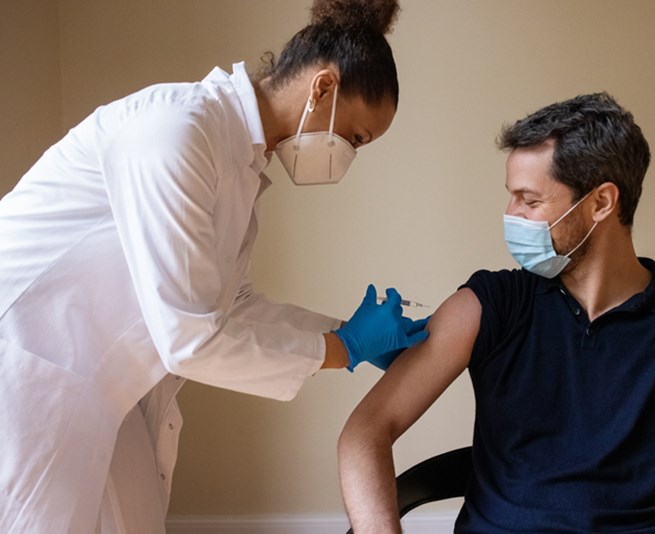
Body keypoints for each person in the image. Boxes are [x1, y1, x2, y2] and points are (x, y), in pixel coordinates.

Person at [0, 0, 428, 532]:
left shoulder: (239, 162)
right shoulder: (175, 131)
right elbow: (191, 338)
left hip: (100, 385)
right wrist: (345, 349)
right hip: (28, 373)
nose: (349, 154)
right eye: (356, 137)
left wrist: (348, 333)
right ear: (323, 88)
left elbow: (232, 306)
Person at [338, 93, 655, 533]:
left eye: (530, 200)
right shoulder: (492, 303)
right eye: (512, 195)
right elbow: (366, 434)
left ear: (601, 202)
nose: (510, 213)